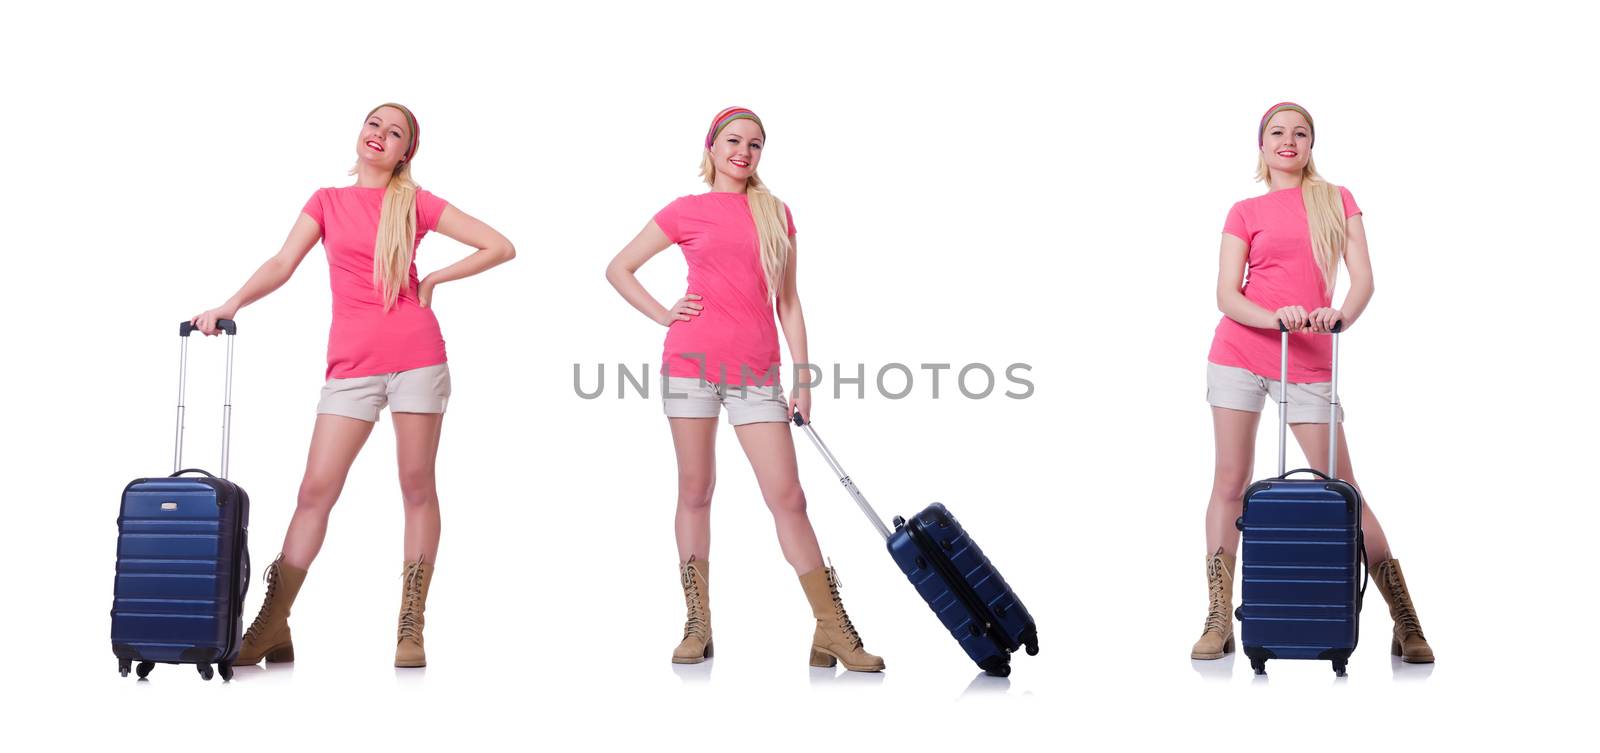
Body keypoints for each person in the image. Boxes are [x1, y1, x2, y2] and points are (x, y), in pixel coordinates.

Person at [190, 103, 515, 668]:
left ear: (404, 152)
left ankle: (410, 627)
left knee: (416, 487)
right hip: (351, 366)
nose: (380, 136)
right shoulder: (328, 202)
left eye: (395, 134)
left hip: (416, 356)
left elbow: (500, 245)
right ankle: (273, 623)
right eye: (374, 125)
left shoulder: (414, 203)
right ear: (360, 133)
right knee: (316, 490)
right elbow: (282, 262)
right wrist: (230, 302)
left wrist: (434, 278)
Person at [604, 107, 884, 671]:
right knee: (695, 490)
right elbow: (618, 268)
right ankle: (697, 623)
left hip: (757, 375)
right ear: (711, 147)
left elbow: (788, 302)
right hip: (689, 366)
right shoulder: (685, 211)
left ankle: (831, 628)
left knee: (789, 498)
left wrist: (802, 376)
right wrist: (664, 314)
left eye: (756, 144)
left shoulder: (776, 213)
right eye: (733, 140)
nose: (744, 151)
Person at [1192, 102, 1434, 664]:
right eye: (1277, 132)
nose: (1288, 140)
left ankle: (1405, 619)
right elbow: (1227, 295)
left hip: (1308, 356)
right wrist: (1273, 316)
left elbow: (1363, 279)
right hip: (1239, 351)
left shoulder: (1336, 199)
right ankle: (1218, 617)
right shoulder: (1244, 209)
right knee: (1230, 480)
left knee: (1343, 489)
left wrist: (1340, 315)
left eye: (1300, 132)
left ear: (1310, 145)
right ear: (1262, 144)